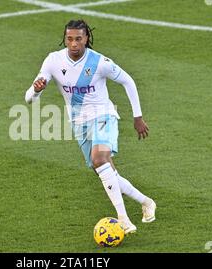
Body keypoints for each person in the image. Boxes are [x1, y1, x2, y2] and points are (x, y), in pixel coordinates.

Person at [24, 19, 156, 234]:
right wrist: (37, 90)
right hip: (79, 124)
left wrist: (137, 116)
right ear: (64, 39)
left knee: (99, 159)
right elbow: (29, 98)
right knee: (106, 172)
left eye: (78, 38)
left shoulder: (99, 62)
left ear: (86, 38)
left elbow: (128, 81)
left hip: (104, 116)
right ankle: (146, 202)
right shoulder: (53, 61)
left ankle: (123, 219)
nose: (74, 43)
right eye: (69, 39)